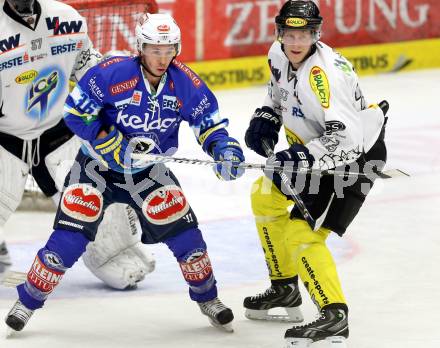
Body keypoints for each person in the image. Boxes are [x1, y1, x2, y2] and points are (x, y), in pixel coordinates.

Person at [5, 12, 245, 333]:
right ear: (140, 48)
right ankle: (28, 301)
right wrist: (107, 140)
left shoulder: (185, 82)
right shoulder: (111, 73)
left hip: (148, 173)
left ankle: (208, 299)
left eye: (169, 49)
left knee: (188, 239)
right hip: (95, 169)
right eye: (155, 50)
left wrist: (222, 149)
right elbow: (75, 113)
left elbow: (209, 123)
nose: (162, 58)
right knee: (67, 242)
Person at [243, 1, 388, 346]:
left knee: (302, 234)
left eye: (305, 34)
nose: (296, 42)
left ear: (316, 35)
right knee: (263, 195)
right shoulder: (278, 55)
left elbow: (348, 140)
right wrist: (267, 115)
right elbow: (278, 94)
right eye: (290, 34)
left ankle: (334, 315)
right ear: (279, 33)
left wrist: (301, 157)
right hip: (312, 157)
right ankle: (284, 288)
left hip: (350, 161)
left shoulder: (326, 76)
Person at [0, 0, 156, 290]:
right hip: (5, 143)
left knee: (106, 228)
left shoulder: (65, 18)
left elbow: (92, 77)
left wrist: (119, 121)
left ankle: (115, 249)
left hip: (58, 137)